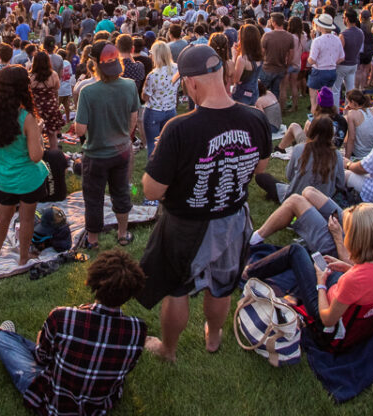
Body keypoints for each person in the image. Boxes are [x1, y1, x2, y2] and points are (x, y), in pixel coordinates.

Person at [139, 44, 271, 362]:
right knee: (222, 285)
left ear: (192, 83)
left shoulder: (179, 129)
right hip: (233, 218)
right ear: (224, 74)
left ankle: (168, 350)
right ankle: (213, 335)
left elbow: (153, 190)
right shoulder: (256, 118)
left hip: (185, 225)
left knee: (177, 287)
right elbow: (261, 168)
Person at [0, 248, 147, 416]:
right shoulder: (138, 330)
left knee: (4, 339)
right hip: (98, 405)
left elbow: (42, 357)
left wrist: (41, 337)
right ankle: (7, 337)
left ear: (94, 281)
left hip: (54, 402)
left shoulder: (63, 317)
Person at [246, 203, 373, 352]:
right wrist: (347, 268)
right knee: (324, 262)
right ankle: (294, 296)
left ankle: (248, 272)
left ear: (356, 239)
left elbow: (327, 319)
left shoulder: (352, 280)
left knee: (296, 251)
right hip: (351, 308)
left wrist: (321, 283)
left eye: (347, 232)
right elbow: (368, 282)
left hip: (327, 317)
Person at [72, 41, 138, 248]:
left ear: (94, 64)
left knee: (94, 197)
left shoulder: (88, 92)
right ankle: (122, 234)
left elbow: (80, 129)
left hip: (96, 154)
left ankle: (93, 241)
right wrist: (125, 135)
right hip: (121, 150)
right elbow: (133, 118)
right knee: (121, 191)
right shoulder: (129, 85)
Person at [0, 65, 50, 265]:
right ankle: (23, 257)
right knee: (26, 219)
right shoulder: (26, 118)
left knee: (3, 216)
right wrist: (38, 133)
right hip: (28, 178)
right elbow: (36, 156)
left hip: (3, 176)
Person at [141, 40, 179, 158]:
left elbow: (145, 96)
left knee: (153, 146)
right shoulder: (177, 69)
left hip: (154, 111)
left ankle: (153, 172)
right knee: (168, 144)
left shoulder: (153, 75)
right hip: (171, 109)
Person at [306, 13, 344, 116]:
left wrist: (308, 60)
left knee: (314, 99)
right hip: (332, 70)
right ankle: (328, 117)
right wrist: (331, 62)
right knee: (328, 97)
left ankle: (315, 119)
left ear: (321, 27)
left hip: (319, 70)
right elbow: (342, 57)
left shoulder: (317, 41)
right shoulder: (337, 39)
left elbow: (312, 60)